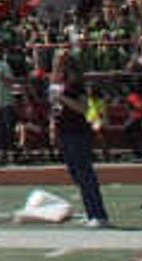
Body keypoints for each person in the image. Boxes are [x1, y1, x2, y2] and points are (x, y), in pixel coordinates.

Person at [46, 72, 110, 228]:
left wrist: (62, 97)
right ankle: (90, 212)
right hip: (64, 132)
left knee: (85, 175)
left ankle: (99, 215)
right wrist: (53, 127)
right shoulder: (54, 86)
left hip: (77, 133)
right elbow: (54, 109)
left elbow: (84, 108)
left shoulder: (76, 87)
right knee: (76, 175)